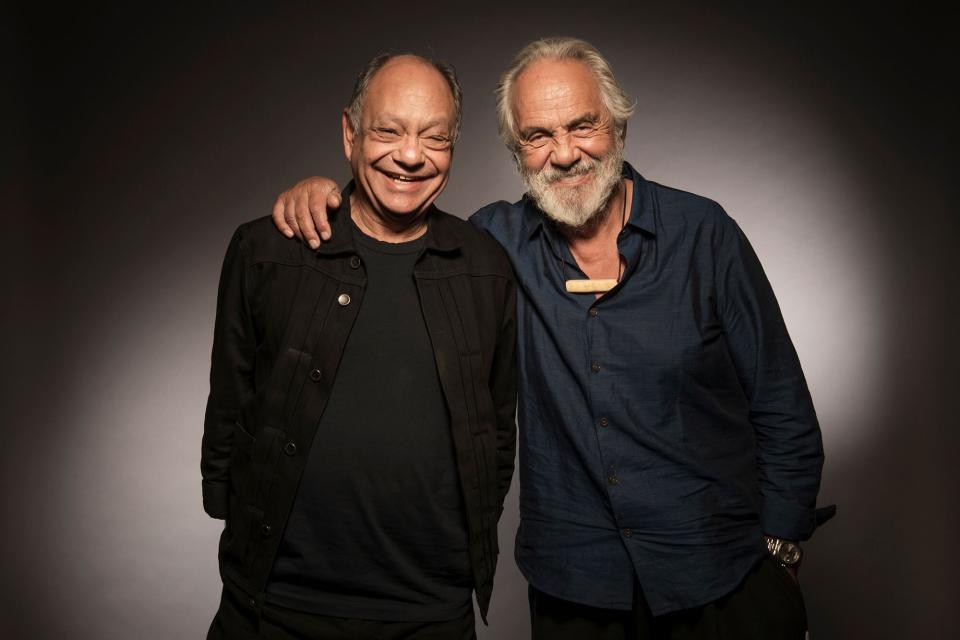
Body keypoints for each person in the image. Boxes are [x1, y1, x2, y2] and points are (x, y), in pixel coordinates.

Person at [272, 37, 835, 639]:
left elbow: (783, 407)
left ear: (616, 126)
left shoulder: (704, 236)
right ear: (517, 150)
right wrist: (328, 192)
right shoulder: (492, 246)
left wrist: (782, 553)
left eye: (582, 126)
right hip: (577, 589)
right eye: (538, 136)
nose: (564, 153)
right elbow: (393, 222)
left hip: (723, 577)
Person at [201, 53, 517, 639]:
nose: (411, 154)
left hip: (428, 614)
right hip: (273, 607)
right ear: (349, 132)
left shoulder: (487, 268)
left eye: (434, 136)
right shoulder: (268, 250)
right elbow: (231, 401)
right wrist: (229, 509)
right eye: (388, 130)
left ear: (454, 145)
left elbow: (496, 435)